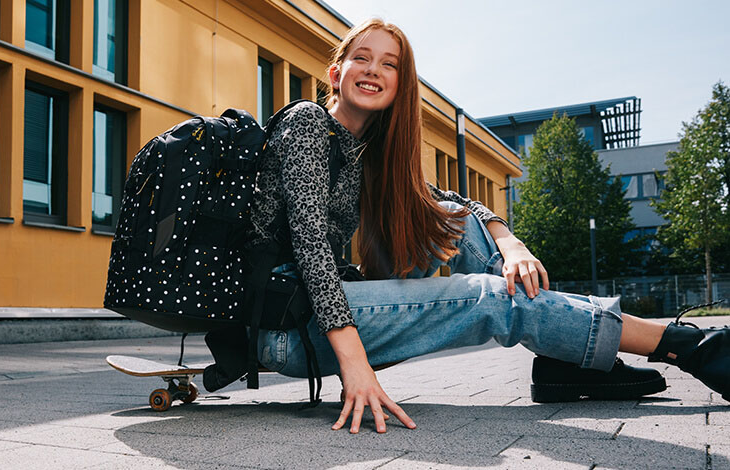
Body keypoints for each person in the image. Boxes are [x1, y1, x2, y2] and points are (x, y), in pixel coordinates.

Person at [249, 18, 729, 433]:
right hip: (288, 326)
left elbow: (455, 205)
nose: (374, 69)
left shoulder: (370, 156)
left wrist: (511, 242)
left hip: (316, 312)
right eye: (362, 58)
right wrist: (355, 366)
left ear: (400, 82)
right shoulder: (309, 123)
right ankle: (687, 346)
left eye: (390, 63)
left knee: (448, 221)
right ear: (336, 72)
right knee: (496, 299)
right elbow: (311, 247)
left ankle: (566, 358)